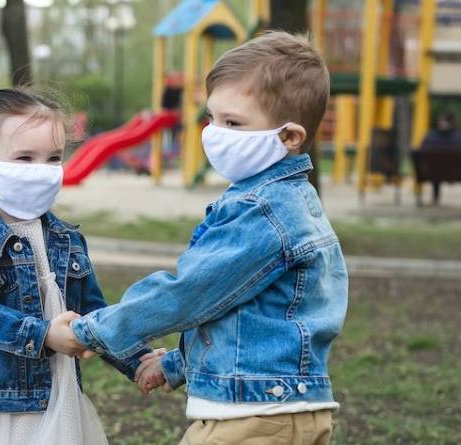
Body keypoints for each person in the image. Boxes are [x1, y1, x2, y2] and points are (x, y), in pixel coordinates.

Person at [62, 32, 349, 445]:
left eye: (233, 122)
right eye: (212, 118)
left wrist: (92, 330)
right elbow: (244, 318)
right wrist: (176, 364)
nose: (214, 132)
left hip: (255, 417)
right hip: (283, 409)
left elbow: (190, 294)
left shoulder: (261, 212)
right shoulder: (296, 204)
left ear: (289, 137)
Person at [0, 86, 157, 445]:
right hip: (3, 407)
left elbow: (94, 313)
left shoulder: (67, 239)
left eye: (53, 158)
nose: (43, 171)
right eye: (24, 158)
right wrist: (44, 334)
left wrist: (137, 360)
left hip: (59, 396)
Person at [419, 111, 461, 204]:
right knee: (438, 167)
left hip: (435, 172)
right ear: (454, 122)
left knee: (435, 168)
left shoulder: (431, 137)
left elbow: (422, 150)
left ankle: (435, 198)